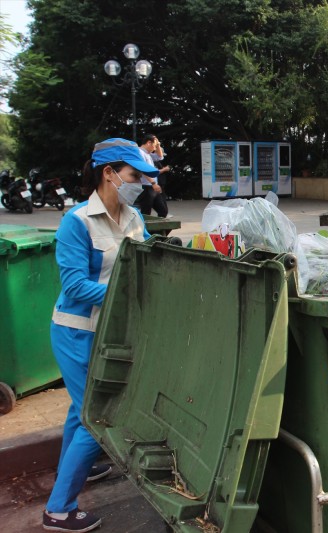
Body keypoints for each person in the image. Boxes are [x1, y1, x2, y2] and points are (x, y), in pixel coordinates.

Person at [43, 138, 158, 532]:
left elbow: (144, 260)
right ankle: (58, 510)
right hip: (78, 334)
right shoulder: (76, 222)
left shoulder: (134, 217)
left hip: (112, 331)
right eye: (134, 175)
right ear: (109, 173)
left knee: (82, 411)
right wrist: (124, 291)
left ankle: (75, 469)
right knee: (100, 416)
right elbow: (75, 286)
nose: (140, 183)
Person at [136, 134, 171, 218]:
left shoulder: (148, 153)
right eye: (154, 146)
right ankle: (144, 230)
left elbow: (160, 157)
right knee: (146, 212)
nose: (155, 149)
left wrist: (158, 144)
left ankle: (157, 231)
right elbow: (142, 169)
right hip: (145, 186)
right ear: (148, 143)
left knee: (163, 211)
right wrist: (153, 183)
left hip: (152, 186)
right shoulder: (140, 152)